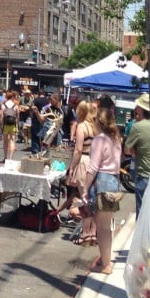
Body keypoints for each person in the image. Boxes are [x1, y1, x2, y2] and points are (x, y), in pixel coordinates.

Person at [85, 102, 124, 275]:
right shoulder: (116, 139)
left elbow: (93, 166)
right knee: (106, 225)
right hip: (115, 181)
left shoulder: (100, 139)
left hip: (103, 181)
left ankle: (106, 263)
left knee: (101, 227)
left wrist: (85, 188)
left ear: (99, 122)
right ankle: (105, 257)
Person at [68, 100, 97, 246]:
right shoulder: (94, 126)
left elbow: (78, 150)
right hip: (95, 162)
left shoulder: (82, 126)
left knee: (84, 199)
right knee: (92, 200)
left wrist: (72, 168)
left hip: (84, 161)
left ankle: (85, 234)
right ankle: (92, 233)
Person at [124, 93, 150, 216]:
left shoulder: (138, 127)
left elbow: (126, 150)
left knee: (141, 212)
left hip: (143, 173)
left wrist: (134, 150)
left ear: (141, 109)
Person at [0, 91, 21, 160]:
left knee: (5, 141)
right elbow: (17, 116)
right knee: (12, 140)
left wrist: (1, 125)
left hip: (5, 124)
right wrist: (17, 124)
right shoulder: (15, 106)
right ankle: (10, 158)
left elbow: (2, 117)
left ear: (6, 97)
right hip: (13, 124)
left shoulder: (3, 105)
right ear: (12, 97)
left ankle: (5, 157)